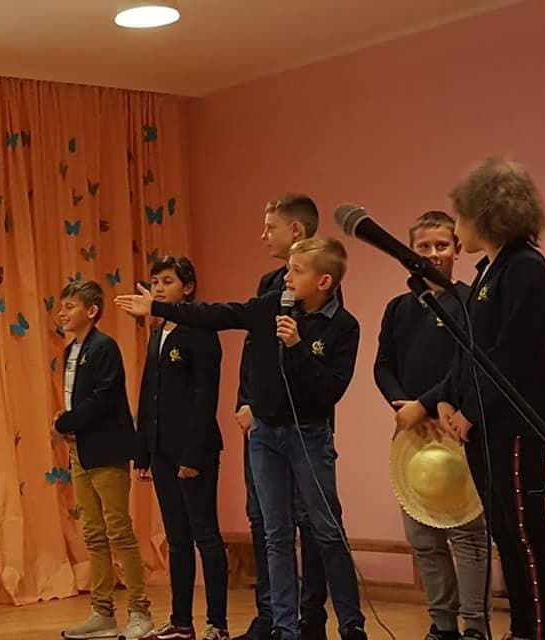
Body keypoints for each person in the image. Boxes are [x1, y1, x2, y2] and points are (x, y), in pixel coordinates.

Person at [116, 237, 367, 640]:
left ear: (324, 281)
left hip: (309, 436)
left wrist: (297, 346)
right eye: (288, 268)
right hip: (265, 436)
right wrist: (158, 308)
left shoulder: (343, 327)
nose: (287, 277)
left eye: (297, 270)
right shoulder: (272, 306)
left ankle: (352, 625)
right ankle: (284, 628)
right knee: (276, 534)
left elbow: (329, 391)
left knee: (325, 530)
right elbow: (220, 314)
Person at [396, 158, 545, 640]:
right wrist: (446, 400)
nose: (457, 226)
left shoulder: (526, 268)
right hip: (487, 423)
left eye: (461, 215)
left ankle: (536, 632)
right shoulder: (491, 270)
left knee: (525, 535)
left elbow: (514, 355)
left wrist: (472, 410)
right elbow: (468, 352)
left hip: (514, 423)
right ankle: (521, 629)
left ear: (486, 214)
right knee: (505, 534)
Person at [374, 210, 489, 640]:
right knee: (424, 539)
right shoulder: (398, 308)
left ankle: (474, 625)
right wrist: (403, 406)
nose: (433, 253)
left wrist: (425, 404)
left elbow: (468, 363)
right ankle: (442, 624)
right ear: (410, 252)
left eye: (442, 245)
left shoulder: (470, 302)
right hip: (411, 434)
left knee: (467, 537)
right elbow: (383, 365)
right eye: (423, 246)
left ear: (457, 249)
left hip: (455, 428)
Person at [234, 195, 330, 640]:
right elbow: (255, 350)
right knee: (264, 519)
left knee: (309, 520)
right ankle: (271, 614)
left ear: (296, 231)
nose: (262, 235)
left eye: (270, 227)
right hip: (261, 421)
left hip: (301, 424)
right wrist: (246, 400)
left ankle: (310, 617)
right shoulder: (268, 284)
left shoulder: (321, 287)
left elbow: (312, 361)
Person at [54, 280, 153, 640]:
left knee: (118, 530)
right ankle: (102, 612)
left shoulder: (104, 347)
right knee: (93, 533)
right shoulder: (70, 350)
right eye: (61, 307)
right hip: (80, 450)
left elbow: (104, 399)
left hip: (107, 451)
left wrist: (66, 422)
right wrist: (69, 424)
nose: (62, 313)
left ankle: (140, 611)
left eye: (70, 306)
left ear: (92, 311)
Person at [135, 256, 227, 640]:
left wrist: (192, 454)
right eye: (155, 281)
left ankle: (217, 624)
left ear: (187, 288)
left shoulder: (200, 330)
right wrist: (143, 452)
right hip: (161, 450)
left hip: (194, 451)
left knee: (205, 535)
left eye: (168, 281)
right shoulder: (159, 331)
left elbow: (206, 396)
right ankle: (181, 621)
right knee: (177, 539)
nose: (158, 288)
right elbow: (148, 394)